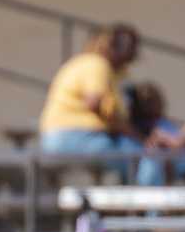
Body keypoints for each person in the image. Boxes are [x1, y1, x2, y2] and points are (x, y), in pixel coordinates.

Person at [40, 24, 143, 165]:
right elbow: (94, 104)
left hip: (62, 137)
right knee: (141, 159)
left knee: (133, 150)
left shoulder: (92, 66)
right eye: (128, 49)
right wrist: (127, 130)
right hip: (76, 136)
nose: (132, 56)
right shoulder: (97, 63)